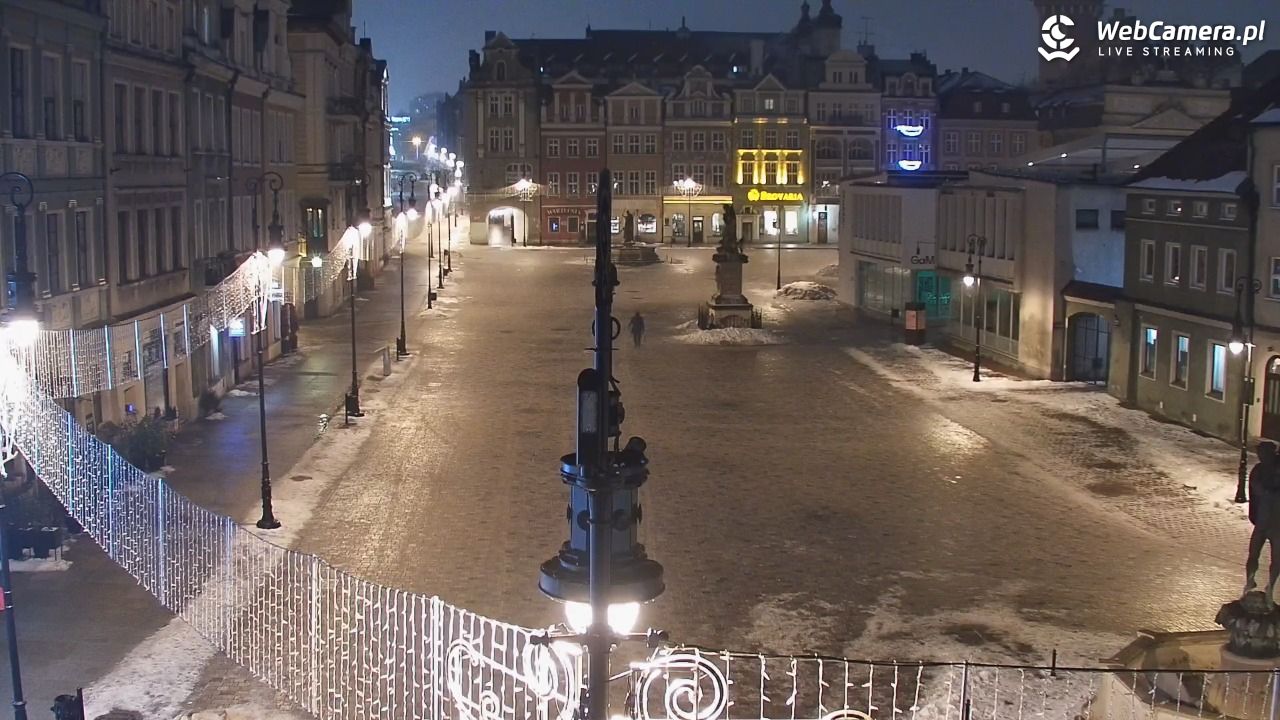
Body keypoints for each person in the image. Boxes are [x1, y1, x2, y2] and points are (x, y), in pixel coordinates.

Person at [1244, 441, 1280, 596]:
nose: (1261, 457)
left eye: (1264, 454)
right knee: (1253, 554)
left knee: (1277, 558)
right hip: (1262, 520)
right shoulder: (1258, 470)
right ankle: (1249, 581)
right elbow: (1255, 488)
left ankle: (1270, 586)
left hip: (1276, 524)